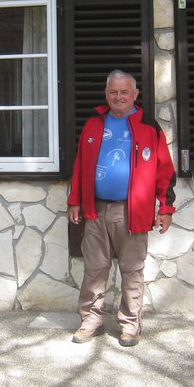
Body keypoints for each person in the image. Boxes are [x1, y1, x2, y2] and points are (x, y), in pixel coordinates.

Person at [67, 69, 176, 347]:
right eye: (113, 92)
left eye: (124, 92)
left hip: (133, 211)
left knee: (131, 271)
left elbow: (165, 171)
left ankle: (130, 325)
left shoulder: (149, 126)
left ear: (135, 95)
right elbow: (80, 165)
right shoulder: (93, 124)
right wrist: (75, 201)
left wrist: (166, 208)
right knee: (94, 269)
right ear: (106, 94)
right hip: (95, 210)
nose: (118, 97)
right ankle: (91, 320)